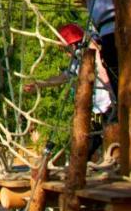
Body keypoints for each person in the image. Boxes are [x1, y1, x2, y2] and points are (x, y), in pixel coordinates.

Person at [23, 23, 114, 157]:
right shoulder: (76, 60)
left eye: (65, 49)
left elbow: (102, 70)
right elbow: (63, 77)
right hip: (94, 112)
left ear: (73, 45)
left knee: (102, 145)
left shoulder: (93, 54)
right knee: (84, 148)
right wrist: (39, 84)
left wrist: (113, 95)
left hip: (107, 108)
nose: (65, 54)